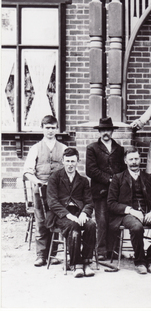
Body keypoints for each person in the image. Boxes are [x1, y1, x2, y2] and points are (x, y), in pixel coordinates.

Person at [107, 146, 151, 274]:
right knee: (137, 227)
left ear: (140, 159)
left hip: (147, 213)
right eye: (131, 159)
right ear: (125, 161)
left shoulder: (148, 177)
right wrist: (131, 210)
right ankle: (140, 261)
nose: (134, 162)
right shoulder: (117, 178)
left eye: (136, 159)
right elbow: (111, 203)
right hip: (127, 216)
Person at [46, 148, 97, 278]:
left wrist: (84, 213)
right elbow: (52, 202)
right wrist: (69, 215)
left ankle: (86, 261)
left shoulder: (83, 180)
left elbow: (89, 202)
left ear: (77, 162)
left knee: (91, 225)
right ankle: (76, 264)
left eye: (73, 161)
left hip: (78, 212)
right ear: (63, 161)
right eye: (67, 161)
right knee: (73, 226)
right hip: (60, 214)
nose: (70, 164)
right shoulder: (54, 178)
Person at [23, 115, 67, 267]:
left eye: (53, 128)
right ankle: (41, 255)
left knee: (55, 219)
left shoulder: (64, 149)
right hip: (40, 190)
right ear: (42, 128)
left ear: (57, 129)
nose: (50, 131)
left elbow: (69, 170)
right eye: (47, 128)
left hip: (58, 192)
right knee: (41, 221)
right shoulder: (35, 148)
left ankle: (52, 254)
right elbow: (28, 172)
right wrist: (38, 182)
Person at [86, 117, 126, 261]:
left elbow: (123, 169)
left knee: (115, 221)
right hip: (100, 191)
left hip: (116, 193)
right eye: (103, 130)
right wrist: (109, 179)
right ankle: (101, 251)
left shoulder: (119, 149)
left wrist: (117, 183)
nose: (105, 133)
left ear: (112, 131)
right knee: (101, 220)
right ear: (99, 132)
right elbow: (90, 170)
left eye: (108, 130)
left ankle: (113, 250)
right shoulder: (92, 148)